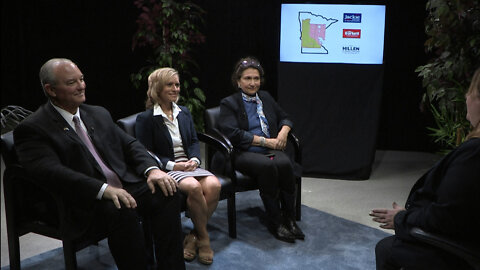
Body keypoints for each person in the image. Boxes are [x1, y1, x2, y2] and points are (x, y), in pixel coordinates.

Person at [13, 58, 185, 270]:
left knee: (166, 191)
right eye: (71, 83)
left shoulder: (97, 113)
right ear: (51, 90)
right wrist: (103, 190)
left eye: (82, 79)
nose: (81, 86)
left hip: (122, 185)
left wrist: (152, 170)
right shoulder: (33, 128)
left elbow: (130, 144)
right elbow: (51, 172)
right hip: (80, 199)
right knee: (121, 210)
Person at [370, 67, 480, 270]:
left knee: (387, 249)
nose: (466, 96)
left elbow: (447, 217)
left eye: (471, 91)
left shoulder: (474, 154)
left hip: (458, 249)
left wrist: (403, 219)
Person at [135, 67, 221, 265]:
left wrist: (195, 160)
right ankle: (205, 240)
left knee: (215, 185)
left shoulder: (184, 112)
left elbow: (192, 141)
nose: (175, 88)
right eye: (170, 85)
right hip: (166, 169)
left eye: (177, 84)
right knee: (194, 187)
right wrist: (174, 165)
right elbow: (145, 152)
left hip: (190, 165)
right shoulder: (146, 119)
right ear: (157, 88)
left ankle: (193, 237)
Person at [217, 56, 304, 243]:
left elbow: (285, 117)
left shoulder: (265, 97)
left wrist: (283, 132)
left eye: (256, 78)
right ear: (238, 81)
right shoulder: (229, 103)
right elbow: (233, 134)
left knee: (286, 164)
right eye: (247, 78)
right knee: (268, 167)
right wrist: (267, 142)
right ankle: (276, 222)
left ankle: (289, 218)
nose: (252, 83)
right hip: (243, 152)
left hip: (269, 150)